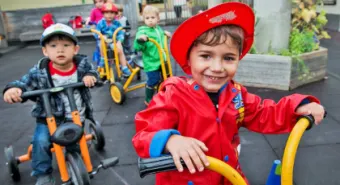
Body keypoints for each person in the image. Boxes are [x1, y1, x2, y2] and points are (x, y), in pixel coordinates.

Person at [131, 2, 326, 185]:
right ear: (189, 59)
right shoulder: (173, 96)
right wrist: (170, 141)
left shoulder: (236, 95)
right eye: (206, 56)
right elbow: (144, 134)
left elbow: (264, 112)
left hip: (228, 177)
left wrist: (297, 106)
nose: (217, 67)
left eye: (228, 58)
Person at [2, 23, 99, 185]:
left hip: (75, 117)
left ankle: (73, 162)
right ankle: (42, 174)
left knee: (74, 143)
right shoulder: (39, 72)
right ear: (45, 51)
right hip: (48, 119)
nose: (60, 50)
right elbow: (24, 83)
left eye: (66, 45)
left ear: (75, 49)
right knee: (41, 143)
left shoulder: (82, 66)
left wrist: (90, 76)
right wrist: (13, 89)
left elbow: (93, 72)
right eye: (53, 46)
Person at [133, 5, 171, 106]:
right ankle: (148, 98)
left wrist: (165, 34)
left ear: (158, 19)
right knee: (153, 80)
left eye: (152, 18)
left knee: (167, 78)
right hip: (152, 62)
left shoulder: (158, 29)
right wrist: (140, 40)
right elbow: (137, 46)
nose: (150, 20)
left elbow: (160, 36)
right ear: (144, 19)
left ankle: (165, 94)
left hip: (162, 60)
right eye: (147, 18)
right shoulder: (142, 31)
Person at [96, 2, 131, 77]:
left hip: (114, 42)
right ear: (103, 14)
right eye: (107, 13)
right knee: (101, 43)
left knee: (120, 50)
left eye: (112, 13)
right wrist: (101, 36)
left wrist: (119, 41)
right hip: (104, 42)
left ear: (115, 14)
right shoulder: (100, 23)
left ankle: (124, 67)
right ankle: (102, 58)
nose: (109, 15)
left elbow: (120, 33)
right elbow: (97, 32)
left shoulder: (117, 23)